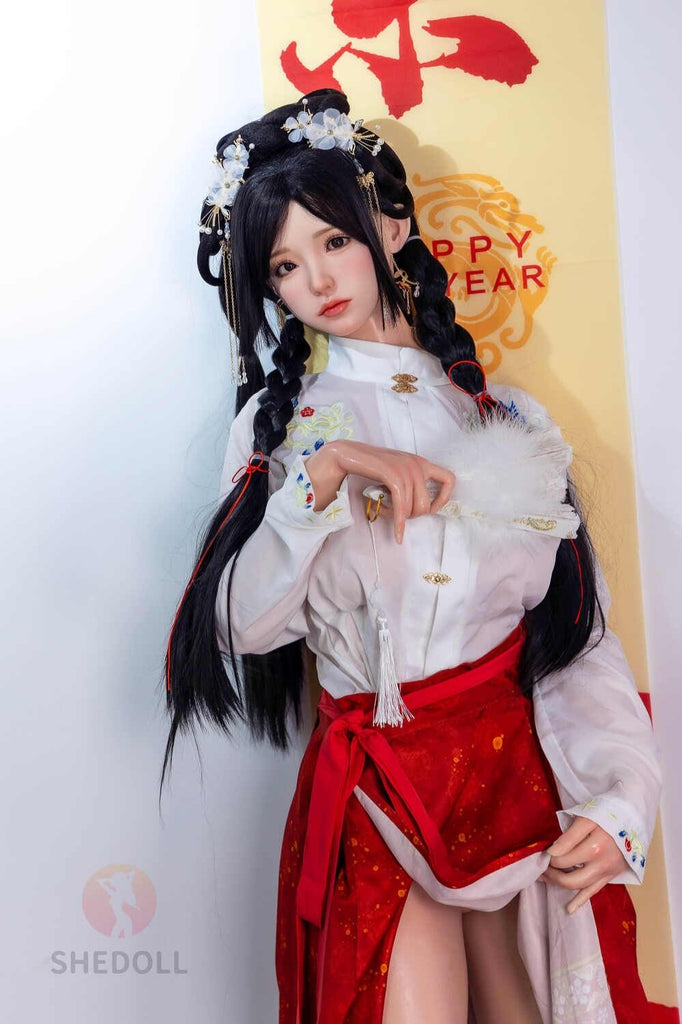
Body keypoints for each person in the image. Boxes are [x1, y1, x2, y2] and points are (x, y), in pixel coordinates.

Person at [162, 89, 661, 1023]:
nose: (317, 278)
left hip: (513, 783)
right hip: (379, 791)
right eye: (285, 265)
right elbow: (236, 626)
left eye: (334, 240)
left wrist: (622, 797)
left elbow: (572, 644)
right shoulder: (284, 433)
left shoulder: (506, 418)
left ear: (392, 227)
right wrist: (324, 480)